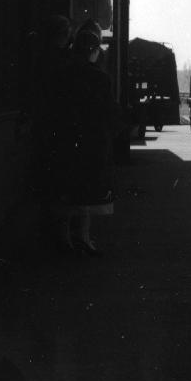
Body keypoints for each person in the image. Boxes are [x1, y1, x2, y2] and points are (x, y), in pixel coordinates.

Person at [40, 20, 119, 253]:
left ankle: (63, 238)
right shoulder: (101, 79)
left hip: (64, 140)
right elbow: (110, 113)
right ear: (94, 52)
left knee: (65, 191)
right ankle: (83, 237)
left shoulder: (59, 76)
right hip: (92, 142)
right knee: (87, 193)